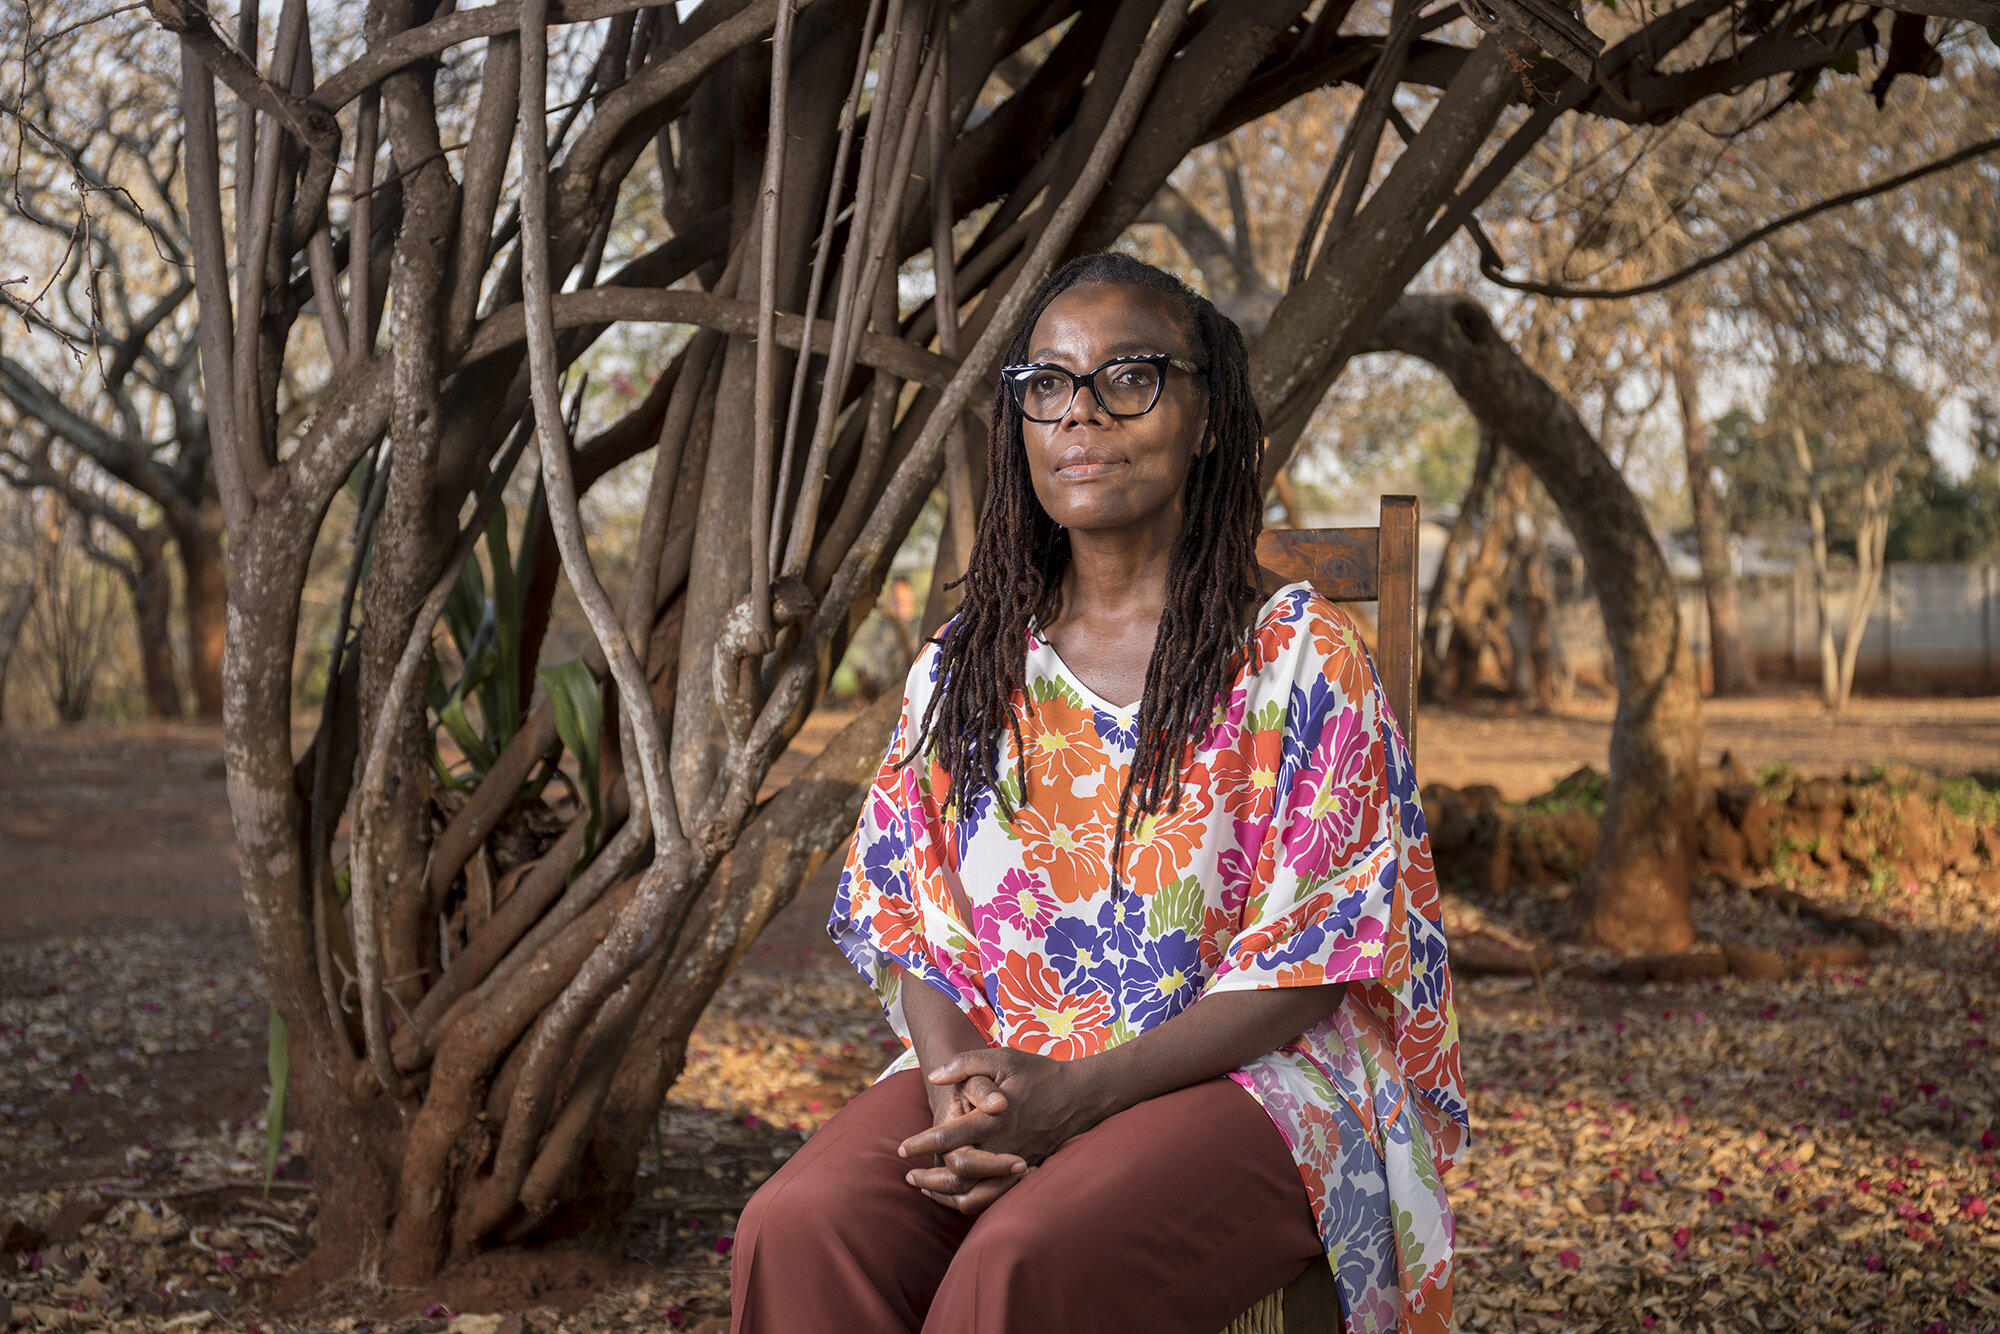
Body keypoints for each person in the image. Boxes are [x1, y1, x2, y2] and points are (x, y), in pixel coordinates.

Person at [730, 253, 1465, 1334]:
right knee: (797, 1223)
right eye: (1048, 385)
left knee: (1022, 1261)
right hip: (1006, 1060)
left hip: (1253, 1081)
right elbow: (914, 913)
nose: (1081, 414)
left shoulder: (1303, 659)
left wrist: (1072, 1101)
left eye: (1129, 377)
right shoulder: (967, 661)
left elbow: (1312, 968)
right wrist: (961, 1097)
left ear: (1207, 417)